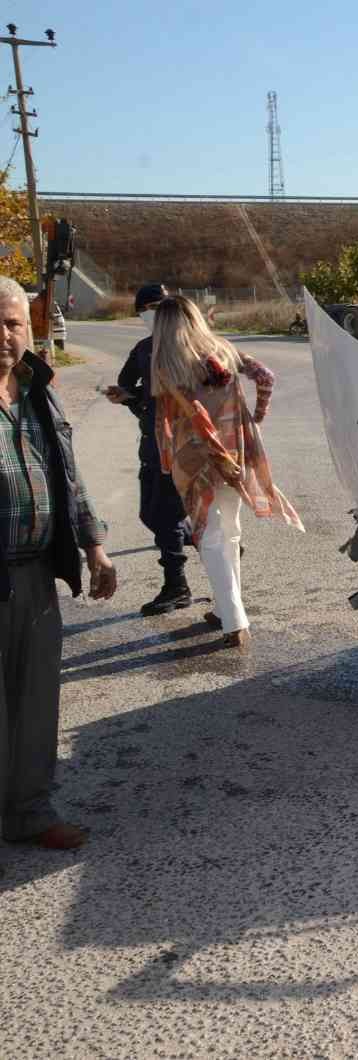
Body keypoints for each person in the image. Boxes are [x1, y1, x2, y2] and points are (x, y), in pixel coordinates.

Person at [0, 276, 117, 850]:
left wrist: (94, 546)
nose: (5, 336)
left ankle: (29, 812)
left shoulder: (39, 389)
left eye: (13, 324)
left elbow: (68, 475)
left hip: (38, 573)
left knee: (36, 702)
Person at [150, 296, 303, 650]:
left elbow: (163, 421)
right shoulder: (224, 349)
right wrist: (257, 416)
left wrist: (165, 460)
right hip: (236, 450)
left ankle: (234, 620)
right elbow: (266, 377)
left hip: (195, 458)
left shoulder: (166, 362)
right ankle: (223, 609)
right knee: (230, 532)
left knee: (210, 535)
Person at [106, 282, 192, 617]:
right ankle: (202, 538)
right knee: (150, 514)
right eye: (146, 310)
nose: (152, 315)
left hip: (179, 445)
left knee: (166, 517)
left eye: (158, 307)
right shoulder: (142, 349)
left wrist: (144, 400)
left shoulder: (187, 346)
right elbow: (128, 386)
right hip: (150, 444)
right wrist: (133, 400)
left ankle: (176, 586)